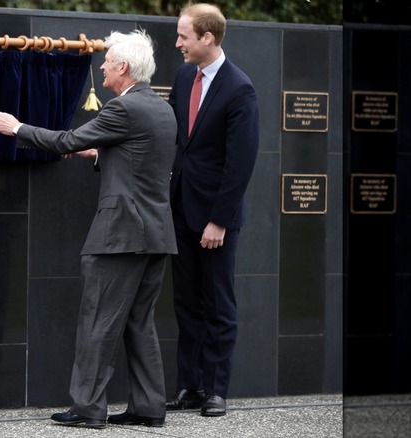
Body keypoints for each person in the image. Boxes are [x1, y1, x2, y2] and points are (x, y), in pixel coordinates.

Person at [0, 28, 177, 429]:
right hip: (156, 233)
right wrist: (100, 152)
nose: (103, 67)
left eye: (107, 61)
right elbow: (138, 160)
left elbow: (67, 139)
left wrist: (17, 128)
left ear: (123, 67)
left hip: (120, 235)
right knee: (138, 321)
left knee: (99, 319)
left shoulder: (123, 109)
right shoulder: (160, 107)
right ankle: (149, 407)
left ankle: (88, 408)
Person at [166, 2, 259, 417]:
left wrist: (218, 220)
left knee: (218, 304)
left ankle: (217, 389)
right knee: (186, 303)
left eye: (184, 36)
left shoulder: (240, 89)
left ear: (208, 37)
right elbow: (173, 136)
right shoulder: (185, 75)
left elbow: (240, 163)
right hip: (181, 210)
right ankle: (191, 386)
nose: (178, 43)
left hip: (216, 219)